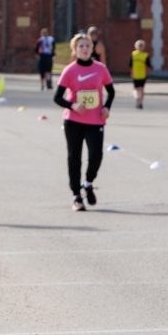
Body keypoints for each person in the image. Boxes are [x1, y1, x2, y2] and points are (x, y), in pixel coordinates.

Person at [55, 33, 114, 211]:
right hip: (73, 121)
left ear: (92, 49)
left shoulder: (101, 68)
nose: (85, 49)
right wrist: (72, 105)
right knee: (74, 158)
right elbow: (57, 97)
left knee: (96, 156)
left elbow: (111, 91)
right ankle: (76, 196)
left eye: (87, 46)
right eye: (80, 46)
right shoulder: (70, 70)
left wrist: (106, 107)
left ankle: (88, 183)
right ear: (75, 50)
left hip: (96, 120)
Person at [129, 39, 151, 109]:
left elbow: (130, 65)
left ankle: (136, 97)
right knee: (142, 89)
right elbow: (148, 66)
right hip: (143, 75)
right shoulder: (145, 55)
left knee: (135, 89)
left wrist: (131, 72)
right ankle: (140, 103)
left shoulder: (133, 54)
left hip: (135, 74)